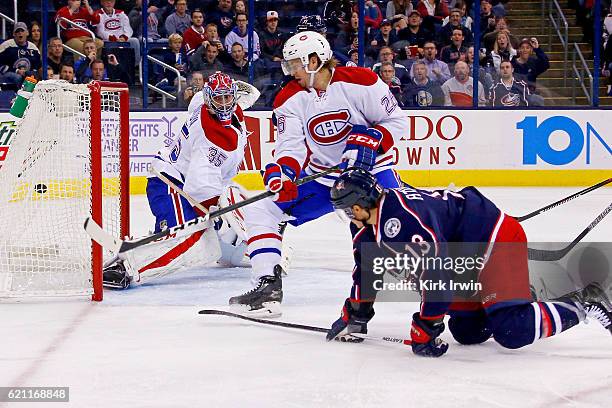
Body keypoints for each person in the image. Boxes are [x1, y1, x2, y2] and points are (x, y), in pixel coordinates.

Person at [326, 168, 612, 356]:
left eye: (345, 211)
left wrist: (427, 325)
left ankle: (583, 301)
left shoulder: (401, 222)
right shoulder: (366, 224)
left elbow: (438, 279)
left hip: (493, 239)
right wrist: (356, 314)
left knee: (513, 331)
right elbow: (366, 269)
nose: (346, 217)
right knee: (468, 331)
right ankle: (512, 299)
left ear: (358, 207)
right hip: (466, 254)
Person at [229, 31, 409, 316]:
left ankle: (449, 286)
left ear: (314, 60)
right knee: (262, 208)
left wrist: (370, 140)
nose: (290, 71)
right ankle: (267, 285)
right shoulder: (288, 97)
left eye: (295, 64)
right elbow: (290, 146)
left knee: (405, 227)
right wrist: (283, 173)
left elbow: (397, 121)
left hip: (371, 174)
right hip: (323, 178)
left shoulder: (360, 81)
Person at [102, 72, 251, 288]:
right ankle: (126, 268)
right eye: (219, 98)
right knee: (193, 240)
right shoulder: (210, 140)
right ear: (210, 99)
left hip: (177, 183)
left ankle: (154, 240)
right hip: (170, 185)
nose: (225, 104)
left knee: (191, 233)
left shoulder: (202, 103)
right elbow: (200, 189)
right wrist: (214, 217)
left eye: (228, 97)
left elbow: (214, 100)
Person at [511, 37, 549, 105]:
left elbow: (546, 64)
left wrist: (537, 49)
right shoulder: (512, 63)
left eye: (527, 48)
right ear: (519, 50)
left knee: (539, 100)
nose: (525, 50)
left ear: (531, 50)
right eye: (522, 47)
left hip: (530, 95)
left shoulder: (533, 63)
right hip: (515, 95)